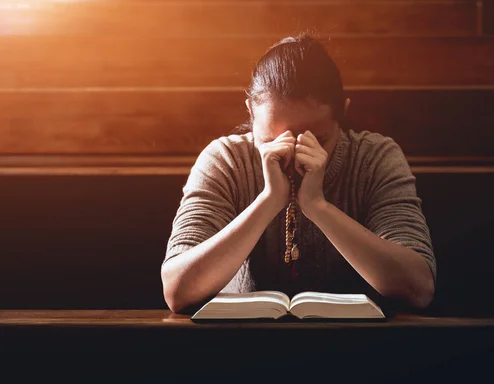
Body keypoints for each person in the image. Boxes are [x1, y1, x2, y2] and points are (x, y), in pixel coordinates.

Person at [161, 34, 435, 314]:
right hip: (242, 342)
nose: (291, 156)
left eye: (317, 138)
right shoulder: (226, 160)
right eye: (270, 140)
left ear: (343, 112)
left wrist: (318, 206)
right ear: (250, 113)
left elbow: (418, 287)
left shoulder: (375, 157)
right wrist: (268, 201)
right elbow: (178, 290)